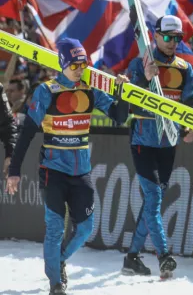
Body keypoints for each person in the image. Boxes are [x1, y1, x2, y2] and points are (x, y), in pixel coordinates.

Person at [5, 38, 131, 295]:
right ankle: (55, 283)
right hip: (52, 171)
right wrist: (14, 171)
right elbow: (27, 133)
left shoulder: (90, 90)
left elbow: (119, 117)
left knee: (85, 228)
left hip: (81, 172)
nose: (80, 69)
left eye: (83, 64)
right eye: (74, 64)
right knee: (54, 228)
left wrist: (121, 92)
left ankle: (59, 259)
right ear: (62, 63)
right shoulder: (46, 91)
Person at [121, 15, 193, 277]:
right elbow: (129, 100)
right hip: (142, 141)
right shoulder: (139, 64)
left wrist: (192, 126)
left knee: (152, 204)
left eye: (177, 38)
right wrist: (145, 78)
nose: (172, 42)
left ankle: (131, 257)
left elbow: (190, 103)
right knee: (153, 199)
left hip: (169, 143)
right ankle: (164, 256)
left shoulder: (184, 68)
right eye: (167, 37)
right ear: (155, 36)